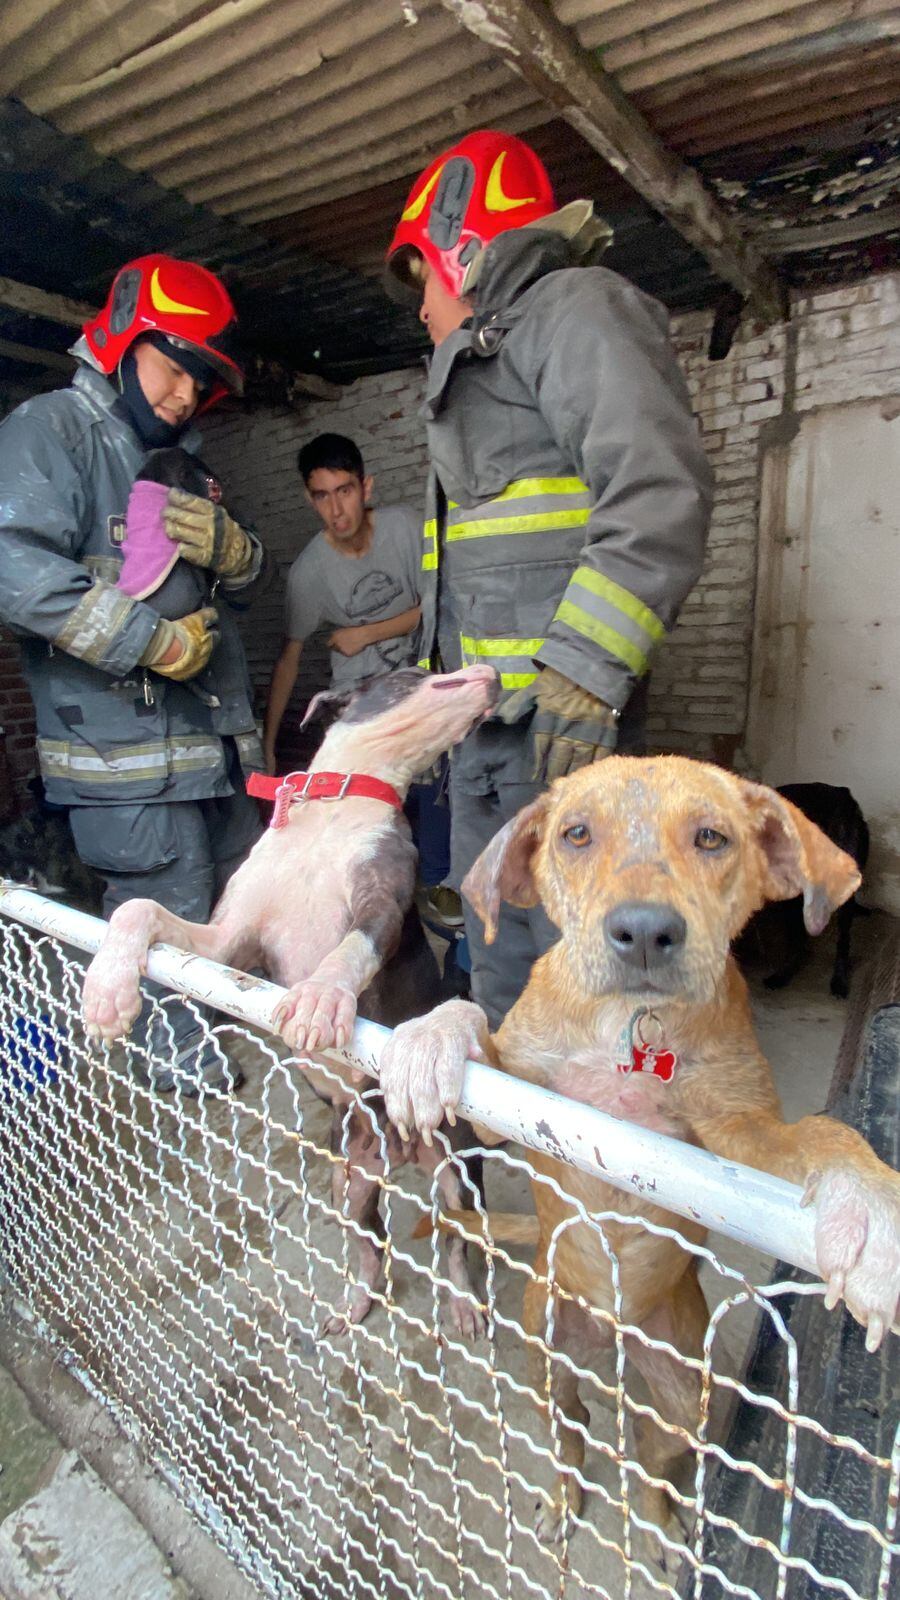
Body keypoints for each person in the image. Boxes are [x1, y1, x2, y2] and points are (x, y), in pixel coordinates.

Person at [385, 128, 714, 1028]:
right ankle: (515, 1142)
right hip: (490, 734)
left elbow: (657, 493)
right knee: (498, 953)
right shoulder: (487, 366)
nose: (421, 311)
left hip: (558, 730)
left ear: (462, 248)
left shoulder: (574, 310)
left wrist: (585, 670)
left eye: (426, 281)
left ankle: (581, 1153)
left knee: (580, 976)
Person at [0, 253, 267, 1091]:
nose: (186, 394)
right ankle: (179, 1077)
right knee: (165, 908)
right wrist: (150, 641)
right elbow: (11, 564)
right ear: (123, 336)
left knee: (229, 899)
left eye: (202, 380)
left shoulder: (187, 463)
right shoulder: (52, 433)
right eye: (173, 364)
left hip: (207, 754)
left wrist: (241, 553)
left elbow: (240, 589)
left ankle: (221, 1031)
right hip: (126, 768)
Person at [263, 431, 462, 927]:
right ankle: (372, 918)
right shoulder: (309, 573)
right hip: (362, 713)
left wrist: (365, 633)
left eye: (345, 490)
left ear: (366, 486)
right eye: (322, 496)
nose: (337, 509)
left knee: (435, 800)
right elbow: (289, 658)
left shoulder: (405, 529)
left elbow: (438, 607)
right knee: (368, 819)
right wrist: (269, 744)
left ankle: (441, 909)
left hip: (418, 697)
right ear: (310, 500)